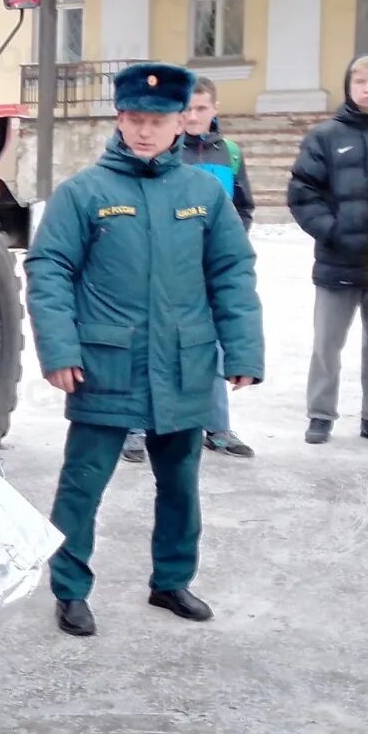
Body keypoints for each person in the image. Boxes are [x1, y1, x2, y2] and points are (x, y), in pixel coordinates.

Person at [28, 63, 263, 639]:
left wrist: (243, 352)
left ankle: (172, 580)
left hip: (184, 367)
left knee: (180, 483)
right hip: (105, 369)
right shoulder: (85, 193)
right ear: (120, 118)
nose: (144, 131)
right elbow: (48, 270)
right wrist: (59, 349)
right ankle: (70, 588)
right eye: (134, 119)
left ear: (180, 120)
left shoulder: (204, 193)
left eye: (156, 121)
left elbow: (232, 272)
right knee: (83, 484)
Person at [287, 55, 368, 445]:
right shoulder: (324, 138)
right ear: (348, 86)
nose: (367, 88)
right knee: (327, 343)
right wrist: (331, 230)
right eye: (360, 82)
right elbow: (302, 193)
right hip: (336, 261)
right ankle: (320, 414)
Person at [125, 76, 257, 464]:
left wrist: (225, 244)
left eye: (202, 108)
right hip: (167, 268)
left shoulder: (228, 154)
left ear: (214, 110)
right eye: (189, 109)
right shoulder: (166, 154)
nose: (195, 116)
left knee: (211, 347)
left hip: (209, 270)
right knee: (149, 345)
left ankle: (216, 427)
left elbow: (243, 208)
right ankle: (135, 429)